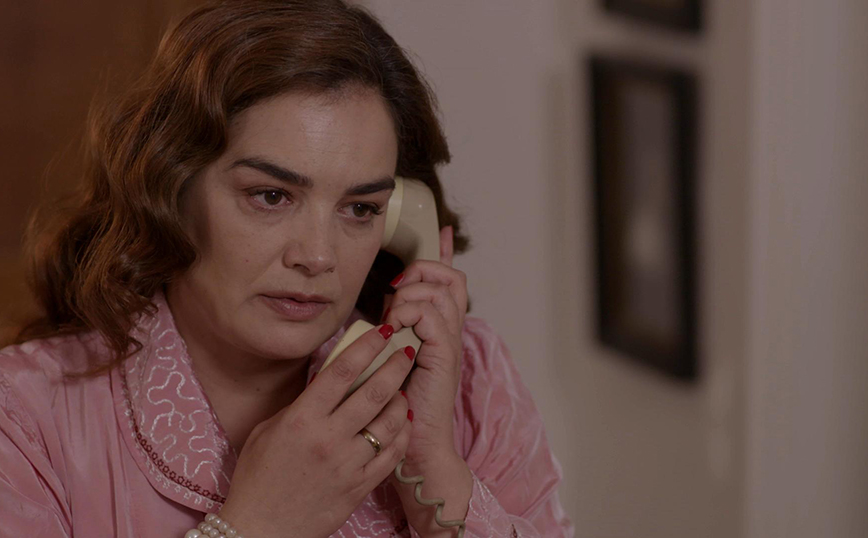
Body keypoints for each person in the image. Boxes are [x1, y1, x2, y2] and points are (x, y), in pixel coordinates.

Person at [0, 1, 574, 536]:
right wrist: (255, 525)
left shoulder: (470, 381)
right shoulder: (24, 417)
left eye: (360, 209)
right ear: (168, 189)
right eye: (271, 196)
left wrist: (435, 472)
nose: (318, 256)